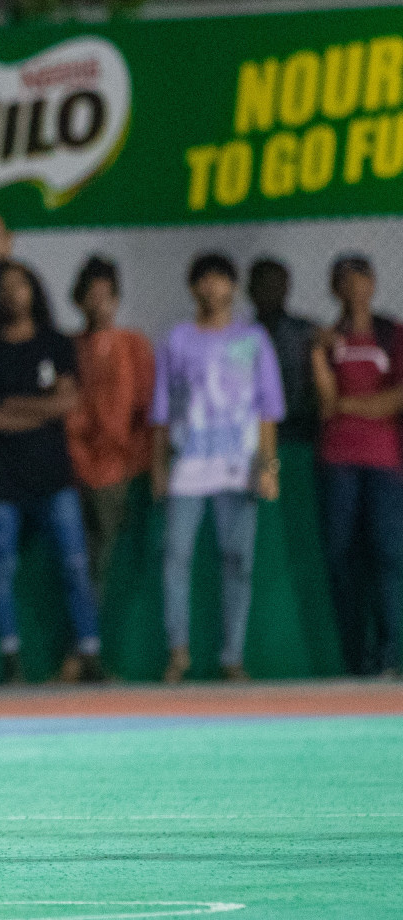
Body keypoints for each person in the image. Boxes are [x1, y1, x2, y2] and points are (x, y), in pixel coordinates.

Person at [151, 253, 284, 683]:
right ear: (193, 288)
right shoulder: (177, 340)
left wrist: (268, 467)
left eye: (220, 279)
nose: (212, 287)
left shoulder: (254, 339)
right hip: (188, 465)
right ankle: (178, 654)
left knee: (238, 560)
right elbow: (161, 412)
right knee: (175, 557)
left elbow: (267, 409)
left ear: (233, 287)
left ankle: (232, 657)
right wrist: (158, 469)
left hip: (238, 465)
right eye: (203, 280)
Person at [0, 261, 103, 684]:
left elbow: (68, 403)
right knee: (0, 570)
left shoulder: (56, 342)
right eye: (5, 287)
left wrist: (14, 406)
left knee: (75, 564)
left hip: (53, 476)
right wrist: (40, 408)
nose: (14, 294)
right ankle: (10, 658)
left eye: (21, 285)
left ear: (35, 291)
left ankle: (89, 653)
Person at [311, 254, 403, 677]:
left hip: (385, 462)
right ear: (333, 289)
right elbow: (327, 404)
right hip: (338, 460)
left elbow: (395, 398)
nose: (352, 287)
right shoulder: (329, 340)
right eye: (342, 280)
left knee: (387, 557)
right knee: (340, 558)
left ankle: (389, 654)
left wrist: (352, 404)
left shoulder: (392, 334)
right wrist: (317, 354)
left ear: (373, 283)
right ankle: (357, 660)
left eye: (359, 278)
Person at [66, 256, 154, 598]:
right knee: (80, 560)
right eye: (93, 294)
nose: (101, 303)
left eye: (107, 294)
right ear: (79, 299)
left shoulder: (133, 345)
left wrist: (134, 460)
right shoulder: (69, 347)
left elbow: (146, 409)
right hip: (75, 469)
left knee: (108, 561)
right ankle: (86, 641)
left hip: (120, 471)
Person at [249, 257, 319, 445]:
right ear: (250, 290)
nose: (269, 291)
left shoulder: (306, 332)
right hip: (252, 427)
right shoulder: (239, 337)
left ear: (287, 287)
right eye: (263, 284)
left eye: (276, 284)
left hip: (300, 428)